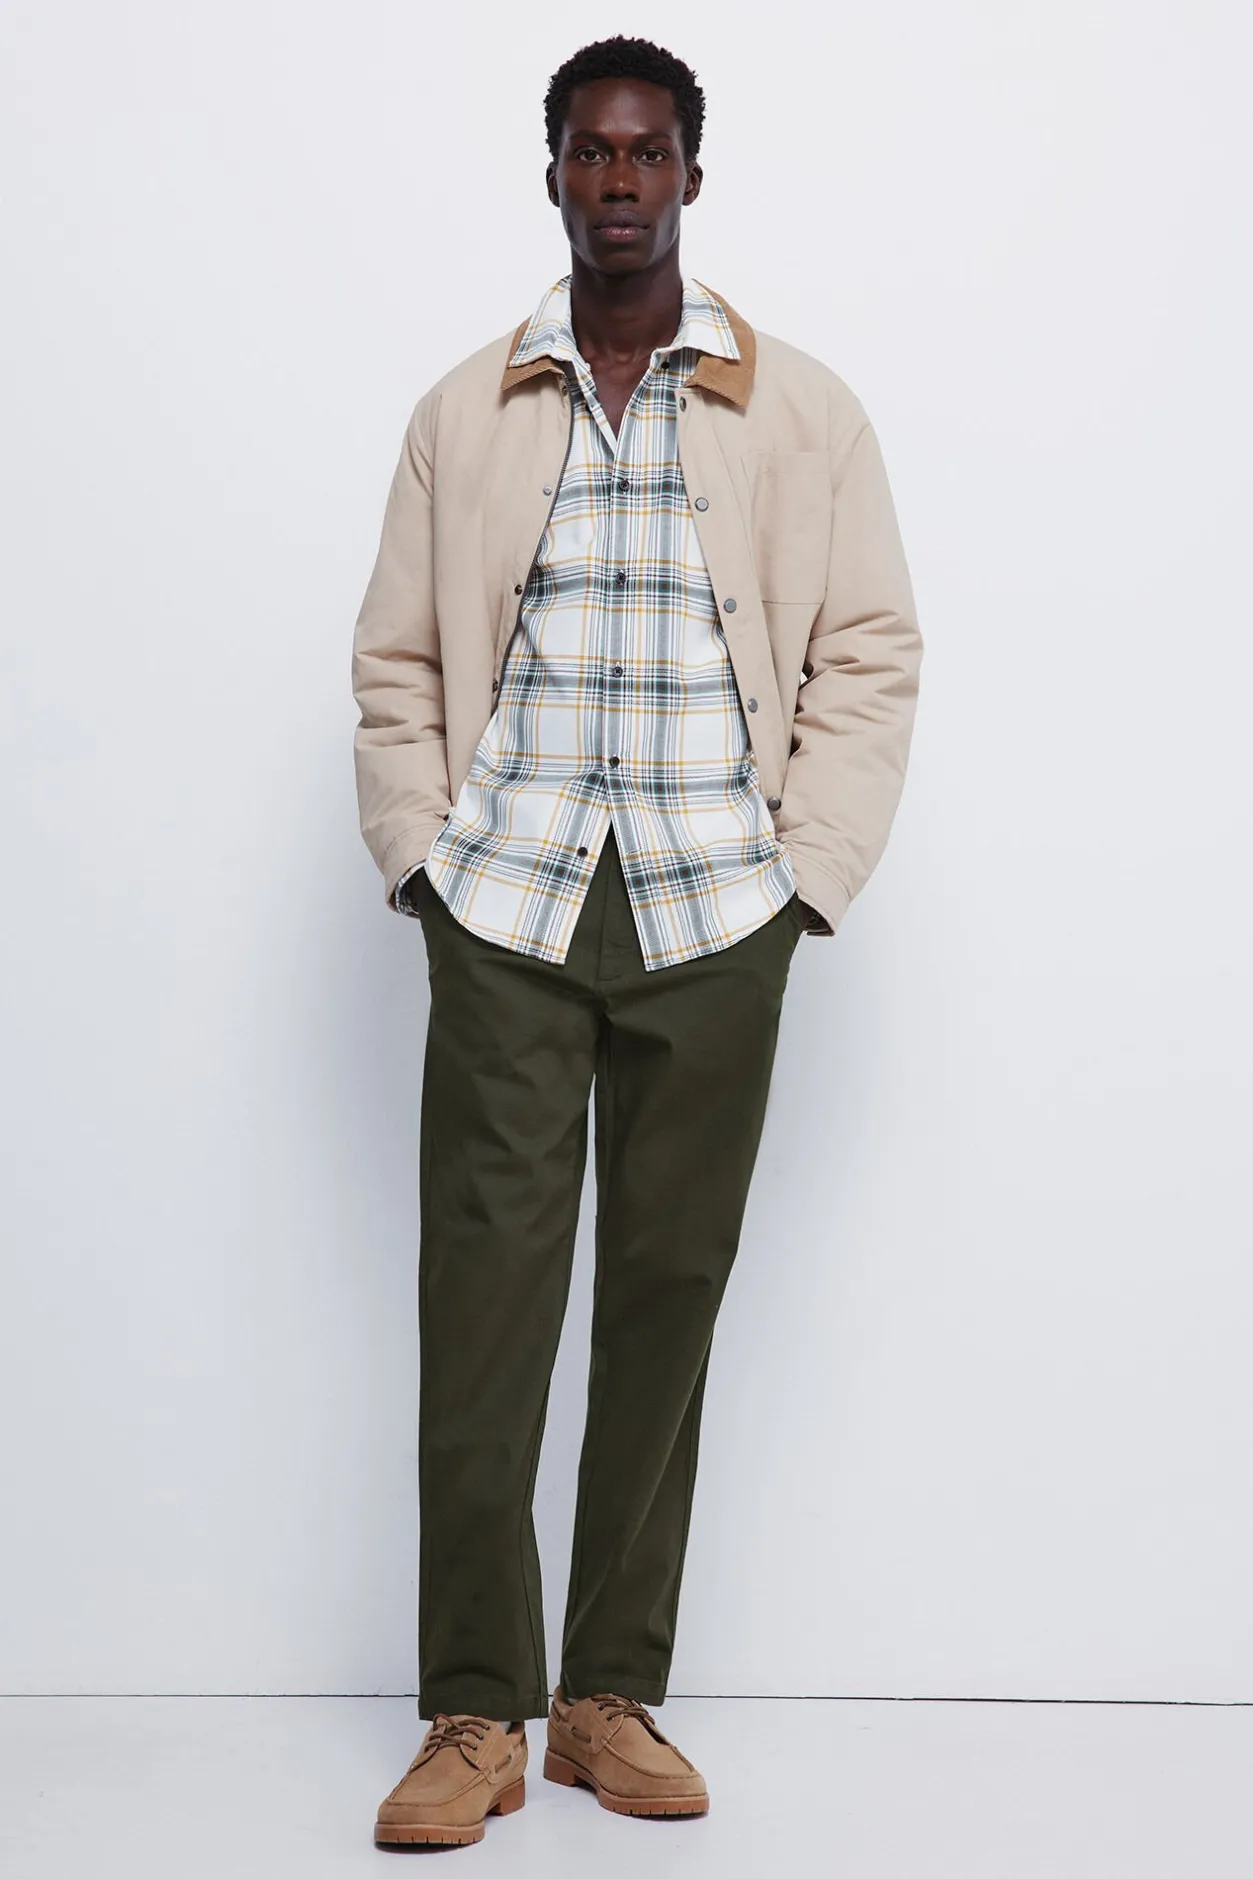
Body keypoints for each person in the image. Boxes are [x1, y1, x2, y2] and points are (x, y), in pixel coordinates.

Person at [351, 32, 923, 1849]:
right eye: (590, 153)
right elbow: (396, 661)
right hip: (511, 902)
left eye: (647, 152)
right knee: (485, 1303)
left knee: (667, 1299)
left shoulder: (799, 409)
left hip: (712, 908)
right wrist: (425, 862)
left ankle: (605, 1697)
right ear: (552, 178)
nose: (618, 181)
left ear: (690, 175)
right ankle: (473, 1709)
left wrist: (804, 876)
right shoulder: (466, 410)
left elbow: (869, 648)